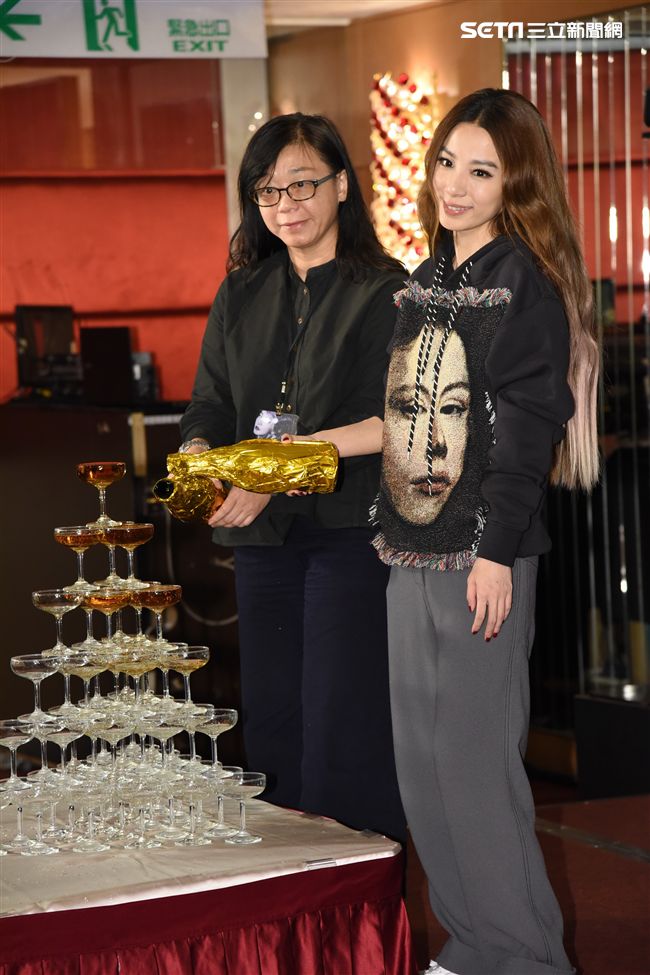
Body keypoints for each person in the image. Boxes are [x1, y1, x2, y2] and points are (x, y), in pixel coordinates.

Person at [296, 89, 598, 974]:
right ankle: (472, 945)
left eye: (482, 171)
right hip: (410, 548)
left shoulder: (520, 284)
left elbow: (530, 430)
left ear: (516, 185)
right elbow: (398, 419)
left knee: (474, 770)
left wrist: (497, 553)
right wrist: (314, 448)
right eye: (447, 164)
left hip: (480, 557)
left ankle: (527, 958)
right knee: (424, 768)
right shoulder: (428, 281)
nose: (454, 186)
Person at [179, 113, 407, 843]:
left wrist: (269, 473)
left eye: (303, 184)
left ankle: (362, 892)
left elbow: (387, 419)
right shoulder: (242, 292)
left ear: (341, 185)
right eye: (268, 191)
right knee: (273, 723)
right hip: (262, 539)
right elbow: (210, 401)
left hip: (349, 533)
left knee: (343, 723)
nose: (286, 205)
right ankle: (291, 891)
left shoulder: (387, 291)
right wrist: (202, 458)